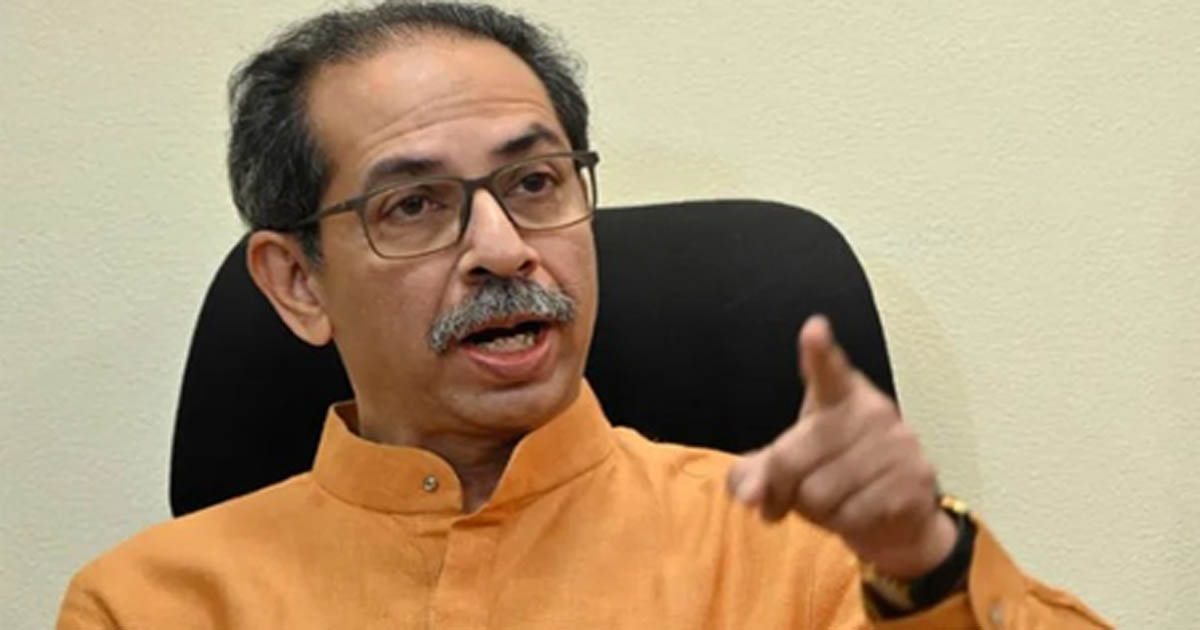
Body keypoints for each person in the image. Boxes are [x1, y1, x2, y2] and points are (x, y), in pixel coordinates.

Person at [56, 2, 1110, 628]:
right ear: (297, 282)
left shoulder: (803, 558)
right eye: (414, 204)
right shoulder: (151, 604)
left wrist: (927, 557)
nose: (503, 247)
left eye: (535, 182)